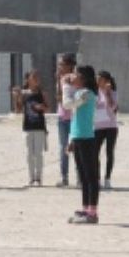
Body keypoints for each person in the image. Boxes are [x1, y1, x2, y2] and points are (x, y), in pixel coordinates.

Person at [62, 65, 100, 224]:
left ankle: (92, 212)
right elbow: (74, 118)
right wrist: (70, 140)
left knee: (91, 176)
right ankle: (85, 209)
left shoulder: (87, 94)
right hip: (78, 137)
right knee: (83, 176)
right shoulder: (79, 93)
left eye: (76, 75)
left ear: (84, 78)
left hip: (87, 139)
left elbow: (67, 105)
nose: (72, 77)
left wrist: (64, 86)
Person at [16, 70, 49, 187]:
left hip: (39, 126)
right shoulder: (24, 93)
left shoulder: (42, 93)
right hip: (28, 126)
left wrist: (41, 107)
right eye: (33, 77)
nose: (36, 79)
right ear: (28, 79)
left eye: (37, 77)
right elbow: (18, 110)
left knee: (38, 153)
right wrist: (17, 97)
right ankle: (31, 177)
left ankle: (38, 177)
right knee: (29, 154)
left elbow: (47, 108)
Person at [55, 54, 77, 187]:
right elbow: (58, 98)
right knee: (63, 148)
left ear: (69, 65)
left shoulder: (76, 79)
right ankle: (64, 177)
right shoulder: (60, 79)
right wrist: (59, 81)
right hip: (62, 117)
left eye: (62, 64)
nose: (60, 67)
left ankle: (80, 177)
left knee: (77, 148)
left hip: (75, 117)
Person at [94, 70, 118, 190]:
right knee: (95, 153)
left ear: (107, 81)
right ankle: (97, 179)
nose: (98, 81)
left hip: (111, 126)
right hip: (97, 127)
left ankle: (107, 178)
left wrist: (107, 93)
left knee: (109, 152)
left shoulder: (112, 92)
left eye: (100, 79)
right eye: (97, 79)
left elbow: (113, 107)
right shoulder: (94, 93)